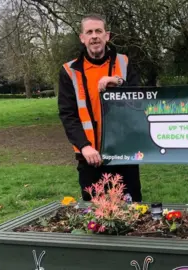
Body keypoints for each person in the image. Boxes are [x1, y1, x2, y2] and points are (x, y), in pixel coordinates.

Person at [58, 13, 142, 202]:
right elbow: (67, 114)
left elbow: (141, 99)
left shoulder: (124, 62)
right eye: (89, 32)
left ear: (107, 36)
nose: (94, 36)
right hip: (90, 157)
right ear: (82, 38)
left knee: (133, 212)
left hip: (124, 154)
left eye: (98, 31)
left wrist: (118, 81)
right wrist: (84, 146)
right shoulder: (69, 71)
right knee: (95, 217)